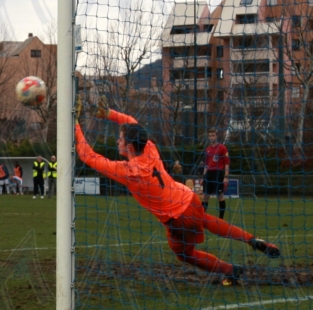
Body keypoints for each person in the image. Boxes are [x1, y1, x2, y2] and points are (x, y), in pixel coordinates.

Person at [74, 96, 280, 285]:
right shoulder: (150, 148)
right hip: (190, 199)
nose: (117, 141)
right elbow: (130, 120)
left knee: (184, 255)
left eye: (120, 138)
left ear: (129, 146)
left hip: (178, 219)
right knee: (206, 219)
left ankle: (230, 270)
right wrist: (109, 114)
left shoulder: (128, 171)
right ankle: (253, 240)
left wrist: (74, 123)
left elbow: (88, 156)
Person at [202, 128, 231, 220]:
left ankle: (221, 218)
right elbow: (206, 165)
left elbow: (227, 163)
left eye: (213, 135)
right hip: (208, 174)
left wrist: (226, 177)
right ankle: (201, 217)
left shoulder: (222, 148)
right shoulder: (207, 149)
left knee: (220, 196)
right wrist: (203, 177)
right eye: (210, 136)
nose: (211, 137)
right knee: (205, 196)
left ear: (216, 136)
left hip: (217, 173)